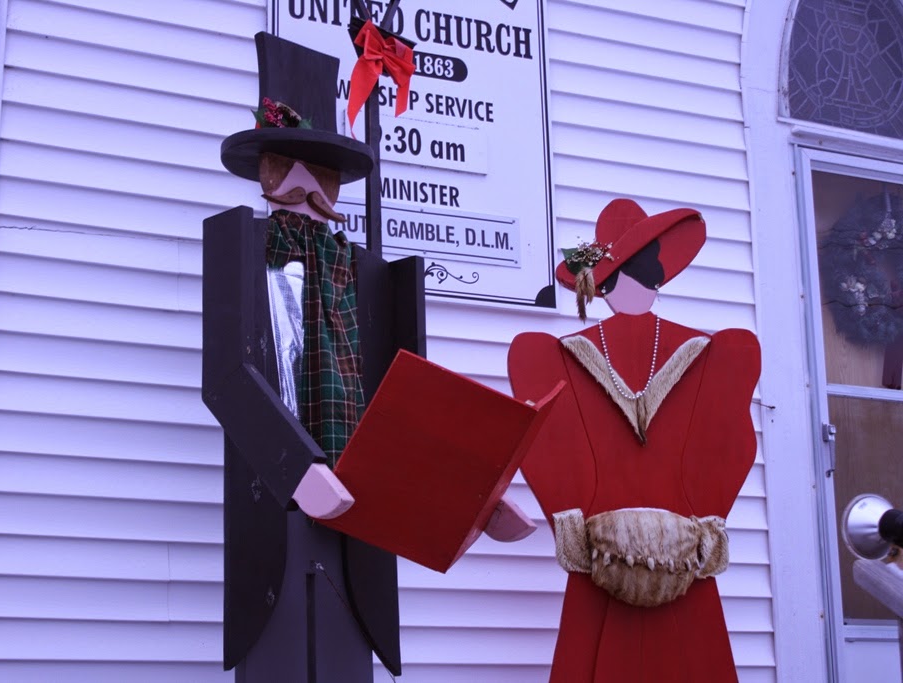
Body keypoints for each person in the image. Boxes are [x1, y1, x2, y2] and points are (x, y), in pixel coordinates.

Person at [203, 32, 533, 683]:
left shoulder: (366, 275)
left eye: (321, 171)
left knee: (344, 656)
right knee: (282, 659)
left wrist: (469, 495)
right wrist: (298, 465)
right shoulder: (243, 248)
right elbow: (227, 376)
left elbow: (411, 399)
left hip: (361, 510)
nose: (306, 184)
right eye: (288, 166)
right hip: (277, 504)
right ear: (267, 169)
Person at [508, 198, 760, 682]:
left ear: (601, 284)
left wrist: (576, 527)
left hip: (601, 565)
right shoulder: (720, 353)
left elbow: (550, 457)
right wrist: (704, 528)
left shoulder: (548, 357)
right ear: (657, 275)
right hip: (685, 565)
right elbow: (730, 450)